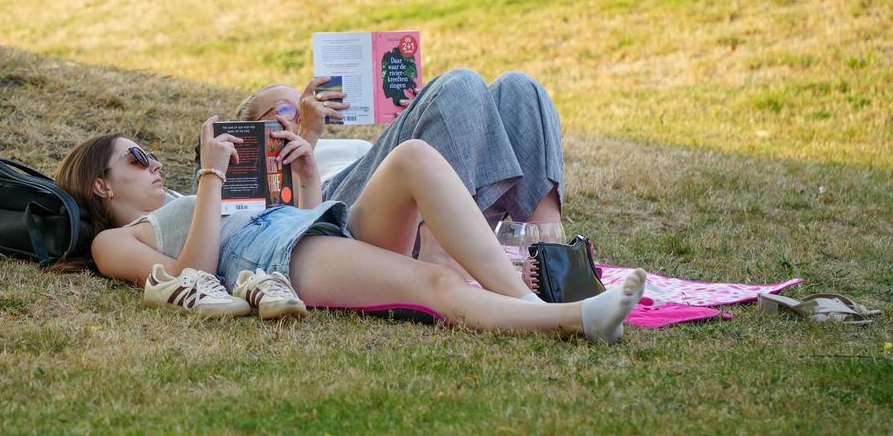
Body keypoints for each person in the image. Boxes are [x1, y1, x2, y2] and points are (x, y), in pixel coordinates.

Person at [56, 115, 647, 343]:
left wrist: (308, 178)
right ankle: (569, 319)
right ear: (102, 185)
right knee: (435, 287)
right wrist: (211, 176)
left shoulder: (189, 196)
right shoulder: (114, 241)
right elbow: (193, 276)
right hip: (270, 260)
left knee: (414, 156)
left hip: (312, 227)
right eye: (138, 158)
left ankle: (526, 300)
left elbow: (295, 219)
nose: (154, 164)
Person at [236, 69, 564, 230]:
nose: (302, 112)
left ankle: (551, 255)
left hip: (398, 196)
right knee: (460, 83)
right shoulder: (254, 173)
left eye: (303, 103)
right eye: (286, 109)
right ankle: (442, 258)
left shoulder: (346, 147)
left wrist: (420, 118)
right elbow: (287, 230)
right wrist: (307, 135)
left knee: (519, 88)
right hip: (336, 214)